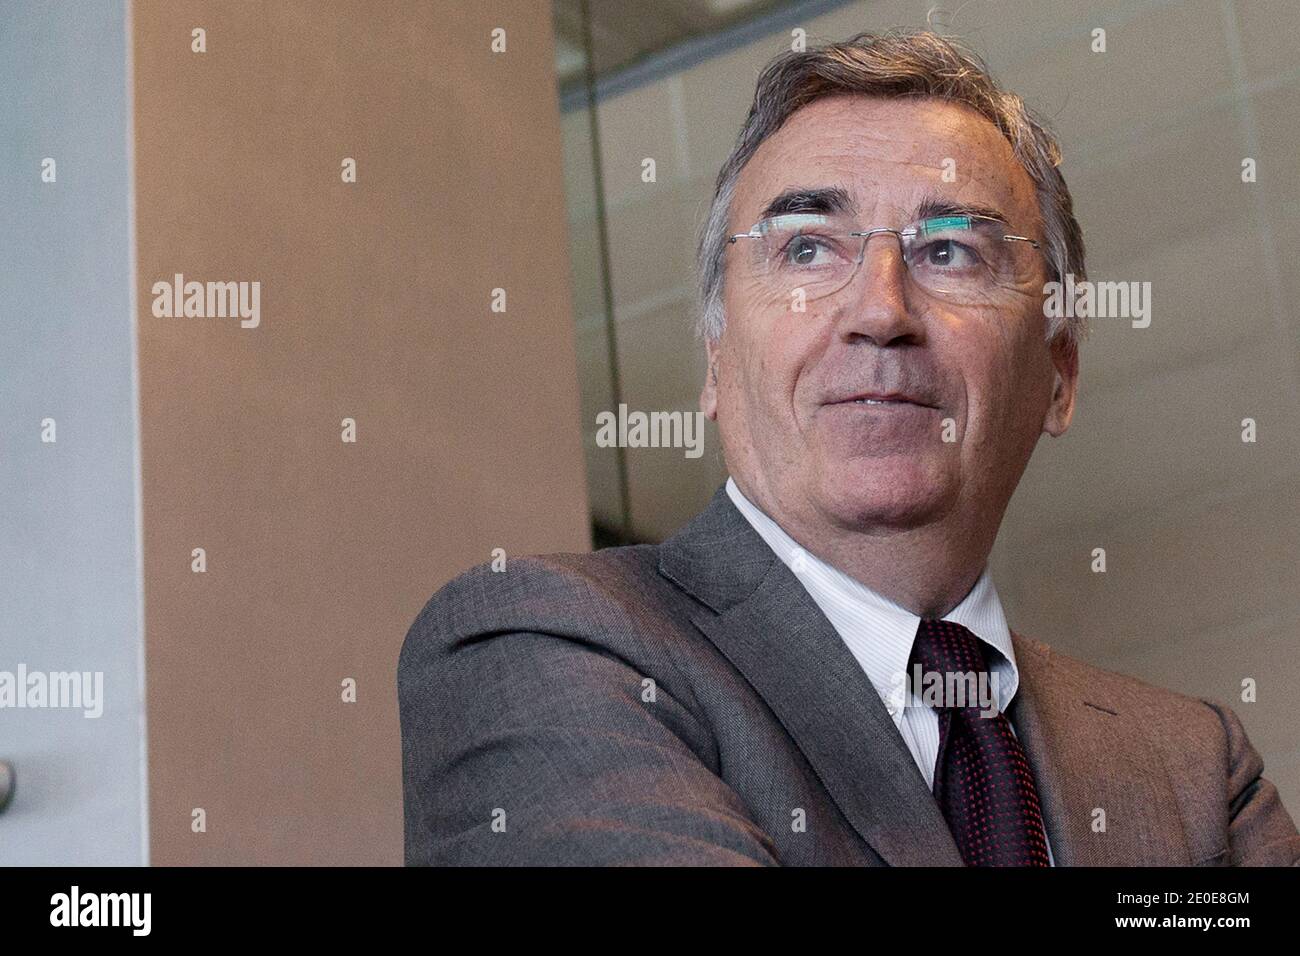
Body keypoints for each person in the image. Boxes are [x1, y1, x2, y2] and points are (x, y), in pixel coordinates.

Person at [398, 29, 1300, 866]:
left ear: (1058, 374)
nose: (880, 312)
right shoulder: (543, 643)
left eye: (950, 251)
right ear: (715, 363)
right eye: (806, 249)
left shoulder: (1195, 770)